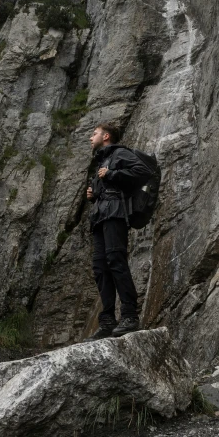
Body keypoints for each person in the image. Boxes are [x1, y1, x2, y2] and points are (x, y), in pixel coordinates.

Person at [85, 123, 151, 340]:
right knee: (100, 268)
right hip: (100, 217)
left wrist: (111, 174)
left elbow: (143, 172)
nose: (90, 137)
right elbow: (107, 185)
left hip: (115, 214)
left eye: (94, 133)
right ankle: (107, 321)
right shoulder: (102, 161)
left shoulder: (119, 153)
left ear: (105, 136)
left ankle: (130, 315)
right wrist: (94, 194)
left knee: (116, 261)